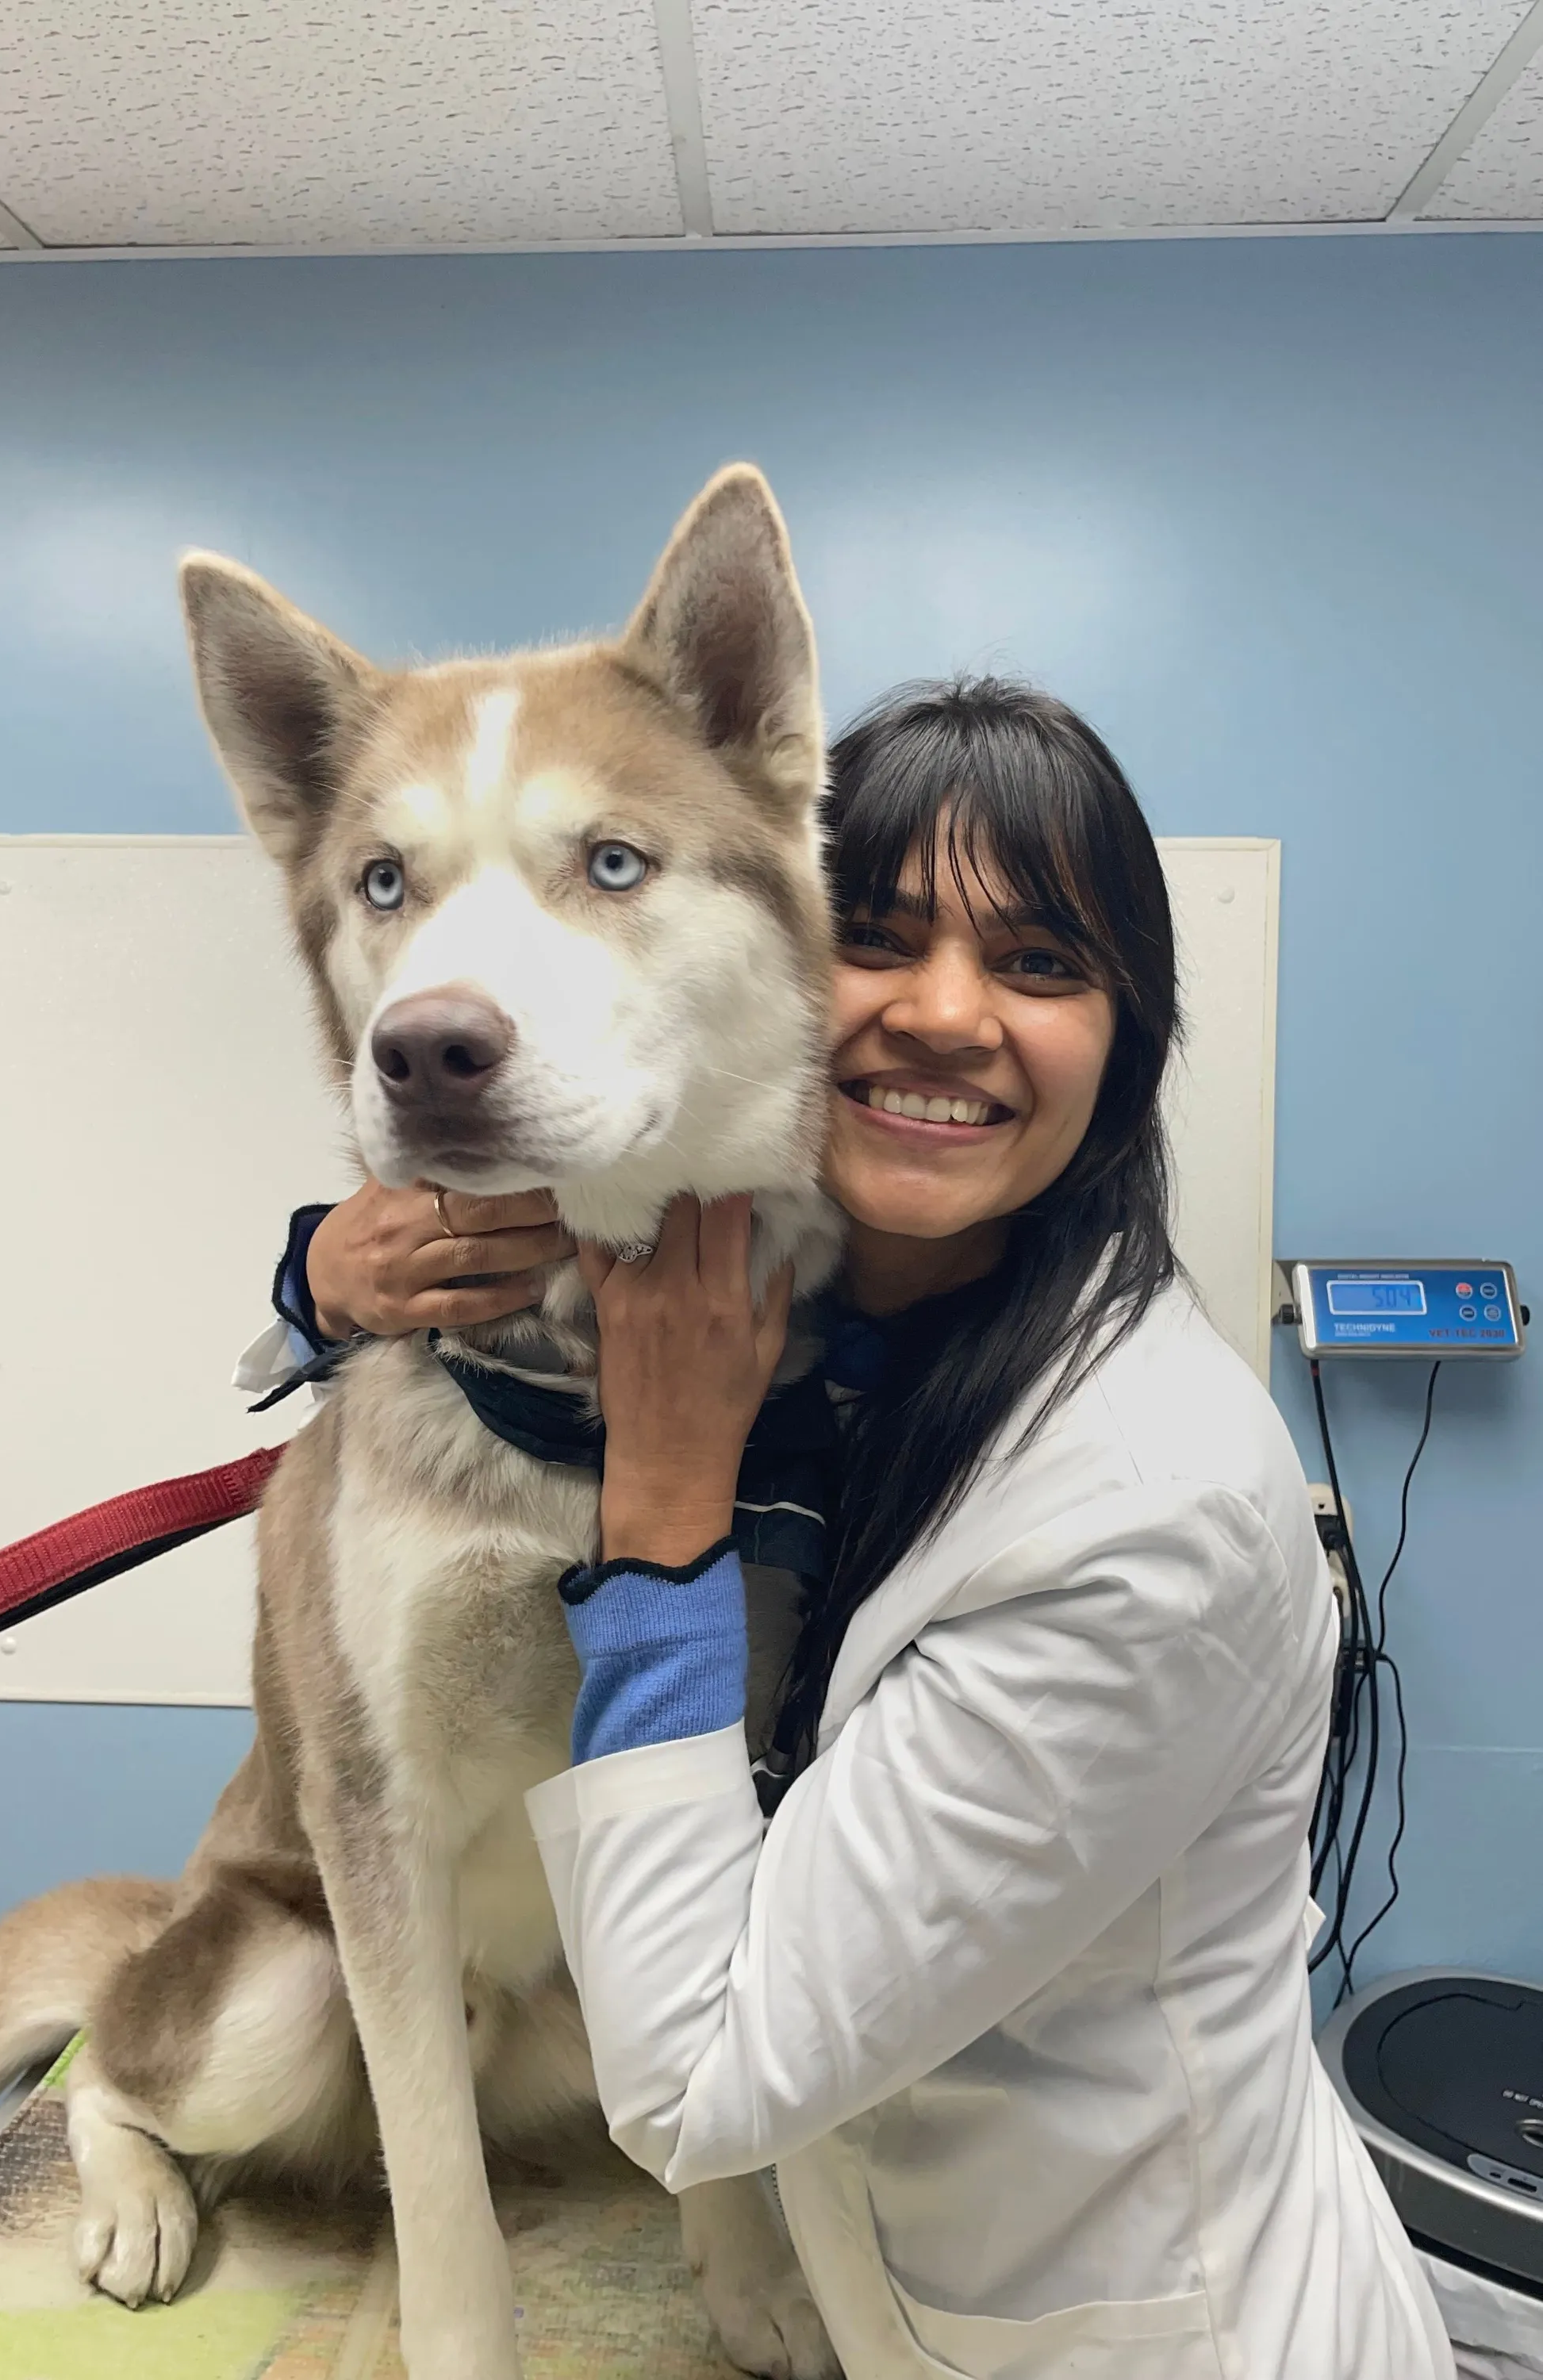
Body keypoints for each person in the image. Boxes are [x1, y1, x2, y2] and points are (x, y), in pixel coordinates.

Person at [248, 681, 1451, 2380]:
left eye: (1041, 965)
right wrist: (318, 1275)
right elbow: (533, 1168)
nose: (947, 1015)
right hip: (880, 2273)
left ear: (1131, 1035)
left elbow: (695, 2078)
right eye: (877, 939)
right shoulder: (835, 1302)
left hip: (1128, 2324)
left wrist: (664, 1514)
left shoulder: (1147, 1510)